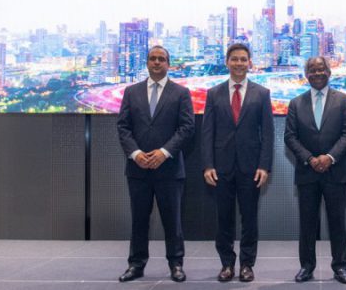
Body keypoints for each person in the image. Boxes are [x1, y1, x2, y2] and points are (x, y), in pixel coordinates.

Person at [117, 46, 195, 282]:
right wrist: (135, 154)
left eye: (162, 59)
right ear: (147, 63)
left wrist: (164, 152)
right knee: (139, 220)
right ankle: (136, 265)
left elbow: (187, 128)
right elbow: (123, 127)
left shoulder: (181, 93)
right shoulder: (131, 92)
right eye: (153, 58)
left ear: (168, 64)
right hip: (137, 169)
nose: (157, 62)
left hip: (169, 169)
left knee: (173, 221)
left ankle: (176, 264)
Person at [200, 43, 274, 282]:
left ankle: (247, 265)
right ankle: (227, 264)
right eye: (235, 59)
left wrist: (264, 166)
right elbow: (207, 132)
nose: (239, 63)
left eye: (243, 59)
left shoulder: (262, 93)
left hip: (251, 167)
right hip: (220, 167)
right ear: (227, 62)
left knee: (249, 219)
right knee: (224, 219)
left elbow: (268, 133)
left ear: (249, 63)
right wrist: (208, 165)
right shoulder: (214, 93)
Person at [284, 56, 346, 284]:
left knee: (337, 223)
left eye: (321, 69)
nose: (317, 73)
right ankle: (306, 267)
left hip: (335, 172)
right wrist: (310, 159)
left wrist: (329, 157)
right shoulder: (296, 103)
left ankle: (340, 267)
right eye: (312, 70)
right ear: (307, 75)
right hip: (307, 173)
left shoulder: (343, 100)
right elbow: (290, 137)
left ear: (329, 72)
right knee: (307, 224)